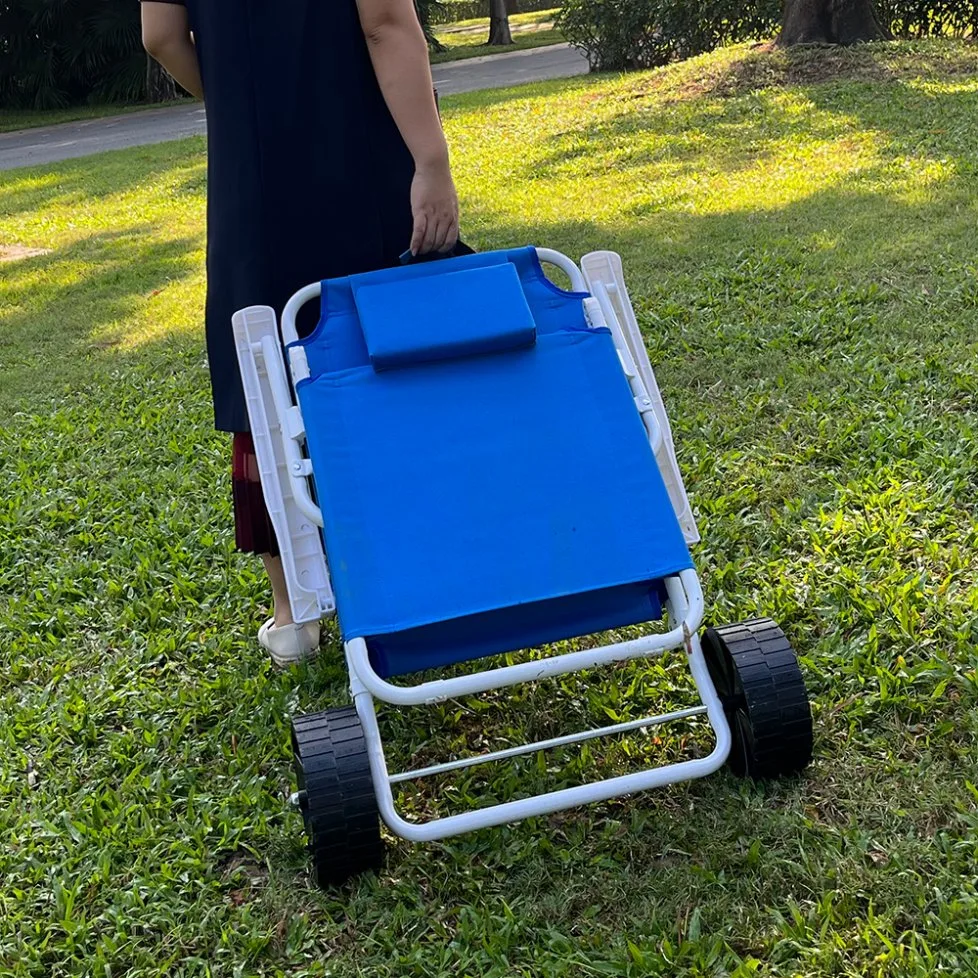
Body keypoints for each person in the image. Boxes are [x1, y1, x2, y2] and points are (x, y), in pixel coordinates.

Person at [140, 0, 466, 667]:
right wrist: (431, 162)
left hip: (251, 172)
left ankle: (295, 612)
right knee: (384, 351)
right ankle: (419, 574)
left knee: (266, 372)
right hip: (361, 149)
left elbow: (161, 36)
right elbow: (385, 22)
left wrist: (237, 97)